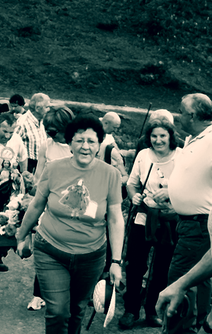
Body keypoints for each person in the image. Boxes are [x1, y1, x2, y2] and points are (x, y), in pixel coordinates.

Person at [16, 114, 124, 334]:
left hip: (91, 256)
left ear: (99, 144)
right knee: (58, 310)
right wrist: (21, 236)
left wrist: (116, 261)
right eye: (79, 140)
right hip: (51, 251)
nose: (85, 146)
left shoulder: (110, 175)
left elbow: (114, 218)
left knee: (77, 309)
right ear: (70, 143)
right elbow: (37, 205)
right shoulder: (54, 169)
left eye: (91, 141)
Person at [156, 93, 212, 333]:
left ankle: (179, 330)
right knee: (197, 283)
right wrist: (173, 192)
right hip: (188, 222)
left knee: (179, 284)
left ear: (192, 115)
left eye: (181, 110)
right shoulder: (195, 138)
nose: (177, 115)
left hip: (199, 225)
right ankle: (194, 324)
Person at [118, 118, 181, 329]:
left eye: (162, 135)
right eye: (154, 136)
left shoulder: (181, 156)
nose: (158, 140)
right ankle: (131, 310)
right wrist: (134, 196)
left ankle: (152, 310)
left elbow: (188, 188)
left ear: (171, 136)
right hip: (142, 218)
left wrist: (172, 193)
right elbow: (132, 184)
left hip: (169, 221)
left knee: (162, 268)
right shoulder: (144, 155)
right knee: (135, 265)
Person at [26, 106, 75, 311]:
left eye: (54, 131)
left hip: (74, 208)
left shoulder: (78, 146)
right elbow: (39, 176)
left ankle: (69, 294)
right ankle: (39, 294)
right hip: (50, 206)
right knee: (45, 247)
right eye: (48, 130)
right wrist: (32, 186)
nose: (51, 135)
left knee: (71, 250)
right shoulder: (47, 146)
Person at [15, 93, 49, 173]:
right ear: (37, 108)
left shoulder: (41, 121)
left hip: (40, 165)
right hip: (28, 167)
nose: (49, 110)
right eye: (47, 107)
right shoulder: (23, 123)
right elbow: (13, 146)